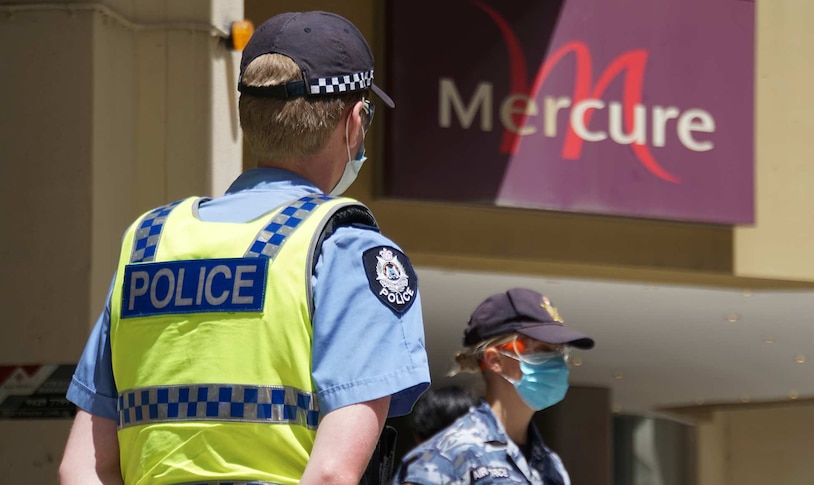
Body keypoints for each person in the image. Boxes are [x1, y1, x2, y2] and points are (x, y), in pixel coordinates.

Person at [58, 10, 430, 485]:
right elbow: (332, 474)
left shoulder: (148, 242)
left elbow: (82, 467)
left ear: (246, 115)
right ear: (355, 123)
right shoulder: (346, 252)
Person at [394, 288, 594, 484]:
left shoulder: (552, 465)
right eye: (541, 350)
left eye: (559, 351)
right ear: (495, 360)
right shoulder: (449, 455)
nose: (555, 362)